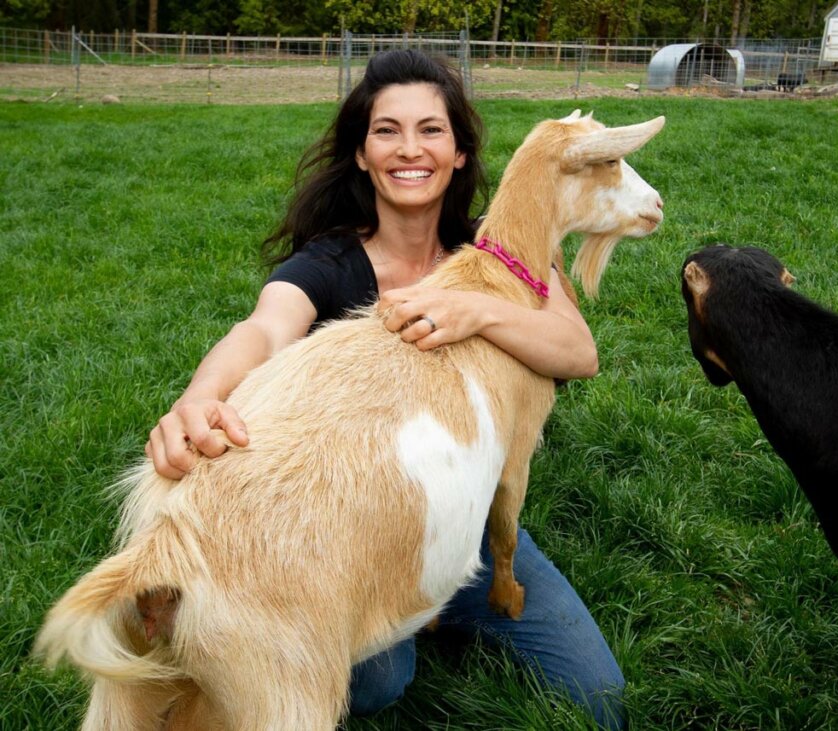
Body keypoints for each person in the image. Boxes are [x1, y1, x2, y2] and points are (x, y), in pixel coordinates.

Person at [145, 49, 626, 729]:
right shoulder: (329, 263)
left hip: (474, 523)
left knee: (599, 699)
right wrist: (200, 396)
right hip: (360, 531)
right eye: (387, 131)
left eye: (432, 130)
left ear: (461, 152)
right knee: (377, 681)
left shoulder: (496, 251)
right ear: (362, 155)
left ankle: (445, 600)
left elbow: (579, 352)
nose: (410, 149)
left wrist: (479, 310)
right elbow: (264, 328)